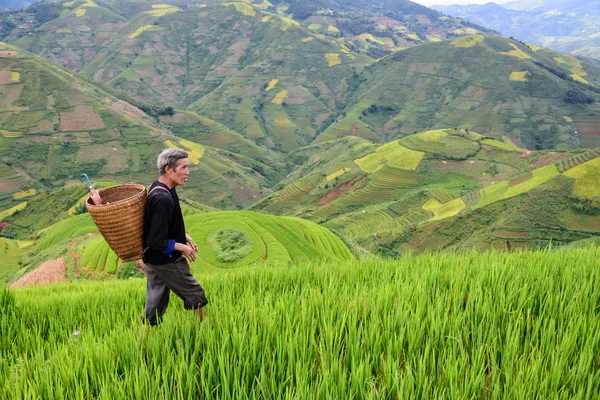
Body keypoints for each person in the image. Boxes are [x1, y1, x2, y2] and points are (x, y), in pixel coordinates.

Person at [141, 148, 208, 325]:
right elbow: (155, 240)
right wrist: (181, 247)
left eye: (188, 167)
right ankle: (204, 333)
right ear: (169, 169)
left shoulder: (161, 187)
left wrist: (183, 235)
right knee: (195, 294)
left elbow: (158, 226)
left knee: (155, 304)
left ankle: (145, 341)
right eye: (183, 167)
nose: (187, 173)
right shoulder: (163, 198)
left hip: (152, 259)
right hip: (166, 259)